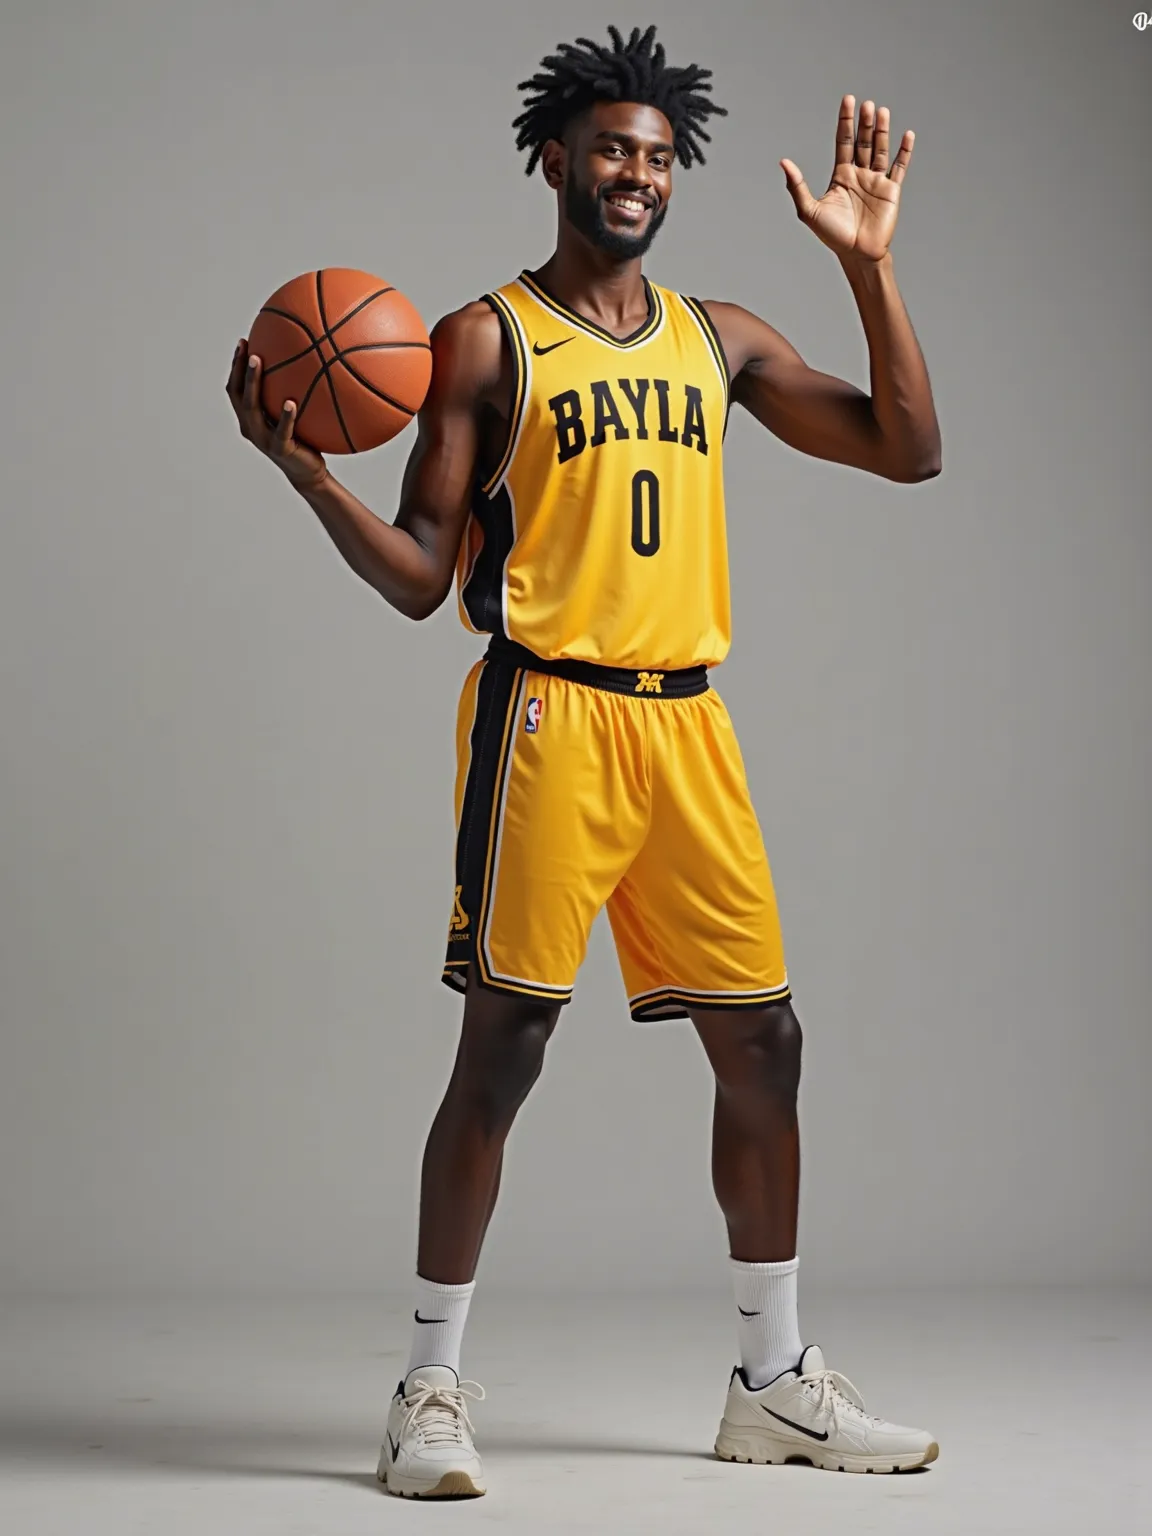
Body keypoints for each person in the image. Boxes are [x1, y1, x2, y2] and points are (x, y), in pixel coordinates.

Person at [226, 23, 942, 1502]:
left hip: (692, 728)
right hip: (548, 717)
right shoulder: (486, 339)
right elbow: (426, 575)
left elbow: (907, 448)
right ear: (555, 159)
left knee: (767, 1044)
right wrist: (307, 473)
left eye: (660, 156)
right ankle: (428, 1386)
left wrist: (867, 265)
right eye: (613, 148)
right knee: (505, 1047)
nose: (636, 173)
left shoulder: (722, 336)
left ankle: (772, 1383)